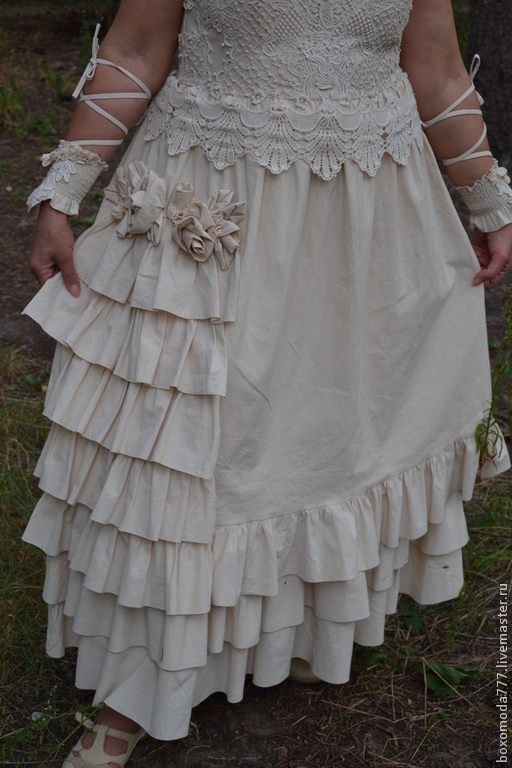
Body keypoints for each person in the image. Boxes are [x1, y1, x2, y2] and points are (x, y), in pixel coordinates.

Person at [23, 0, 512, 765]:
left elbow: (436, 69)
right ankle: (135, 689)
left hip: (367, 207)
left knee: (328, 427)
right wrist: (63, 192)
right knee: (186, 447)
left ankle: (298, 626)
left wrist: (486, 196)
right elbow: (138, 48)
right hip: (218, 199)